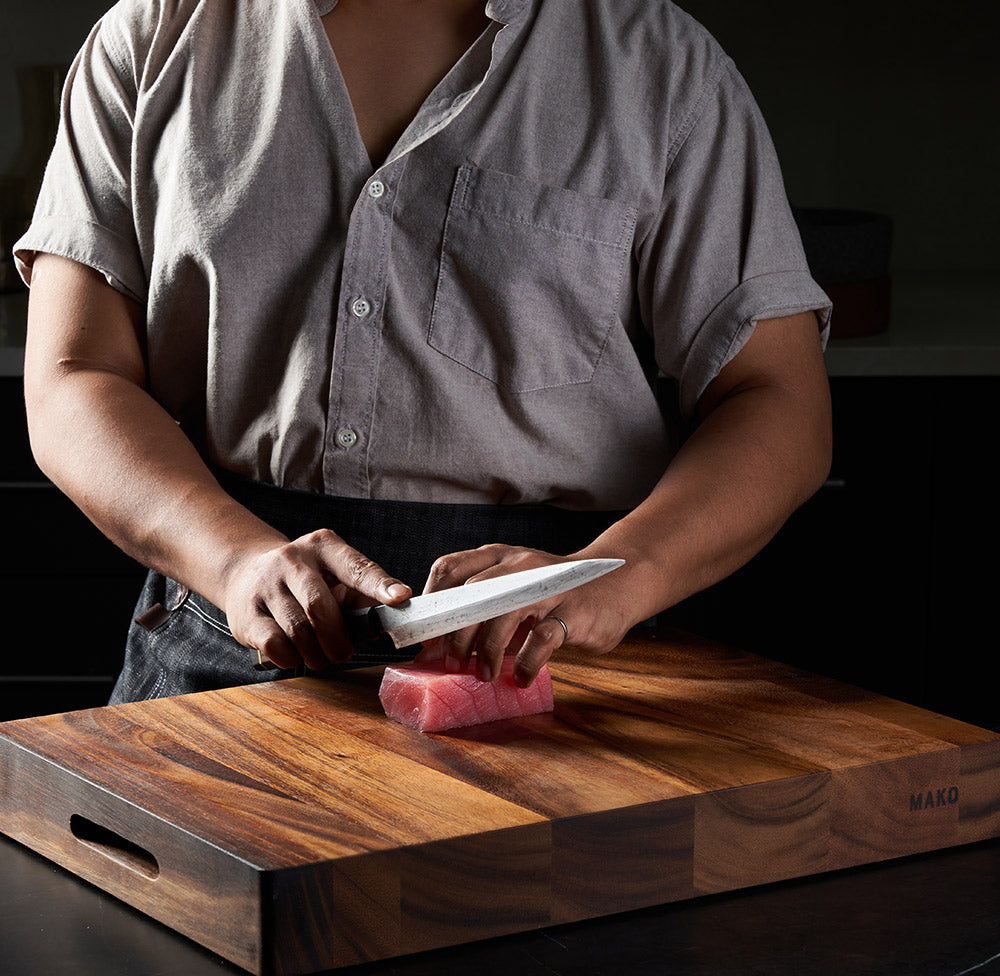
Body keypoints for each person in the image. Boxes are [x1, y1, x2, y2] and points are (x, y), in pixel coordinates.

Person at [15, 0, 832, 703]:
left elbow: (778, 399)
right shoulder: (151, 36)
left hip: (552, 655)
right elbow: (74, 376)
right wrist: (232, 559)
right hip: (222, 627)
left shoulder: (664, 68)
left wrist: (620, 572)